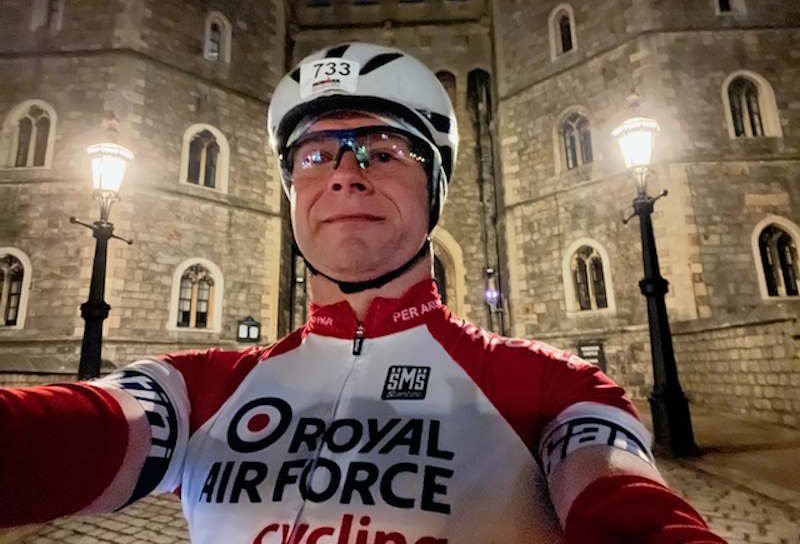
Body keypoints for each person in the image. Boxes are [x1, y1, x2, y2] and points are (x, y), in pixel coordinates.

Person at [0, 42, 723, 543]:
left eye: (383, 150)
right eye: (315, 155)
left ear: (435, 189)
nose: (346, 173)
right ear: (291, 195)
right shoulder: (199, 391)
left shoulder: (553, 391)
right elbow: (62, 438)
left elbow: (628, 509)